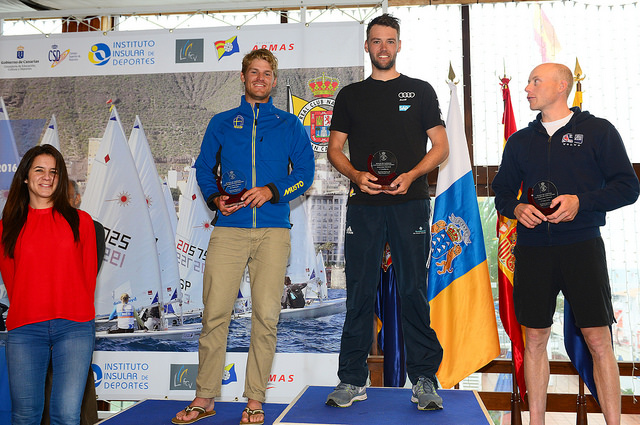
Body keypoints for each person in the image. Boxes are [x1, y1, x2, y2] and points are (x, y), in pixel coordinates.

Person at [172, 48, 315, 425]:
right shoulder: (221, 122)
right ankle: (205, 397)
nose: (260, 78)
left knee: (266, 317)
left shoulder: (290, 125)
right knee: (214, 314)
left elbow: (305, 174)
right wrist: (215, 197)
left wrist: (272, 191)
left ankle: (255, 400)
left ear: (274, 80)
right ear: (243, 76)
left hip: (273, 232)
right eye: (254, 72)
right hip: (229, 230)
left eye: (267, 73)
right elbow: (205, 169)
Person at [492, 63, 639, 425]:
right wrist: (517, 208)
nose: (527, 88)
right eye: (528, 82)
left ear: (561, 86)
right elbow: (503, 192)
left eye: (535, 81)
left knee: (599, 340)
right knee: (535, 339)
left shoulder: (598, 131)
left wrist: (580, 202)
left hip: (582, 247)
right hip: (532, 250)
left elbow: (628, 187)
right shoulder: (520, 141)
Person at [325, 13, 449, 411]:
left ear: (399, 45)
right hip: (364, 206)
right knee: (359, 292)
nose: (383, 47)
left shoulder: (421, 91)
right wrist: (355, 174)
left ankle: (424, 379)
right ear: (367, 46)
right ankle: (352, 379)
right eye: (376, 41)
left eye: (389, 41)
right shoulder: (350, 95)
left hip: (410, 203)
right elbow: (334, 150)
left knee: (413, 291)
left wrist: (411, 175)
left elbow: (441, 147)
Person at [0, 144, 98, 425]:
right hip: (26, 328)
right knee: (24, 416)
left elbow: (88, 275)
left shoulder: (81, 221)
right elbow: (11, 279)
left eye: (53, 172)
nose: (47, 177)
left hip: (74, 327)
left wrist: (76, 311)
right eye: (39, 170)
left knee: (67, 415)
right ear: (25, 177)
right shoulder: (7, 226)